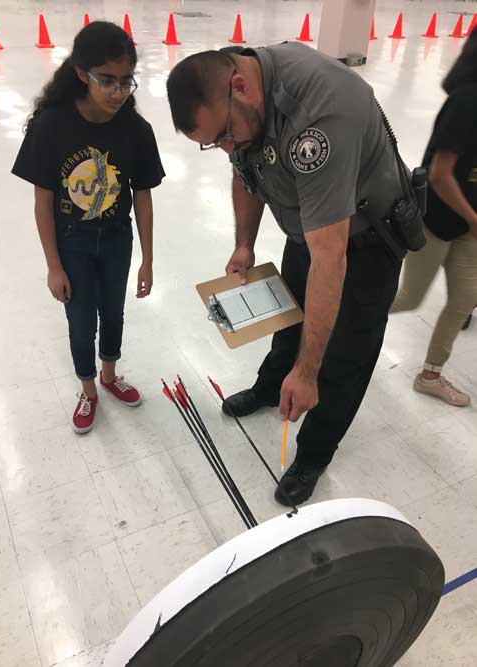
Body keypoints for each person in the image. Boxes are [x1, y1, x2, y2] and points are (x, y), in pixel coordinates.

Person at [166, 42, 408, 506]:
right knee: (289, 316)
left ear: (240, 87)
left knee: (343, 355)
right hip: (310, 226)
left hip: (367, 237)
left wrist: (308, 370)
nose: (225, 149)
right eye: (213, 142)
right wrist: (244, 244)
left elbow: (331, 257)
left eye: (224, 136)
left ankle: (315, 453)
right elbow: (244, 172)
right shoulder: (239, 99)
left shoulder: (320, 117)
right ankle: (270, 385)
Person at [12, 21, 165, 433]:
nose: (118, 92)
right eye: (107, 81)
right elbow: (42, 201)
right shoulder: (51, 125)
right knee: (81, 322)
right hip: (71, 245)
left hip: (117, 240)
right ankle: (88, 389)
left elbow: (144, 195)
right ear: (82, 73)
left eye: (126, 82)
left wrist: (148, 260)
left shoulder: (136, 130)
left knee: (113, 313)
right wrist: (53, 266)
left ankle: (109, 377)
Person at [390, 29, 477, 408]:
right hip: (438, 221)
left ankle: (430, 375)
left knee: (464, 301)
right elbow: (441, 175)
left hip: (470, 226)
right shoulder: (466, 102)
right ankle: (334, 322)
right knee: (409, 298)